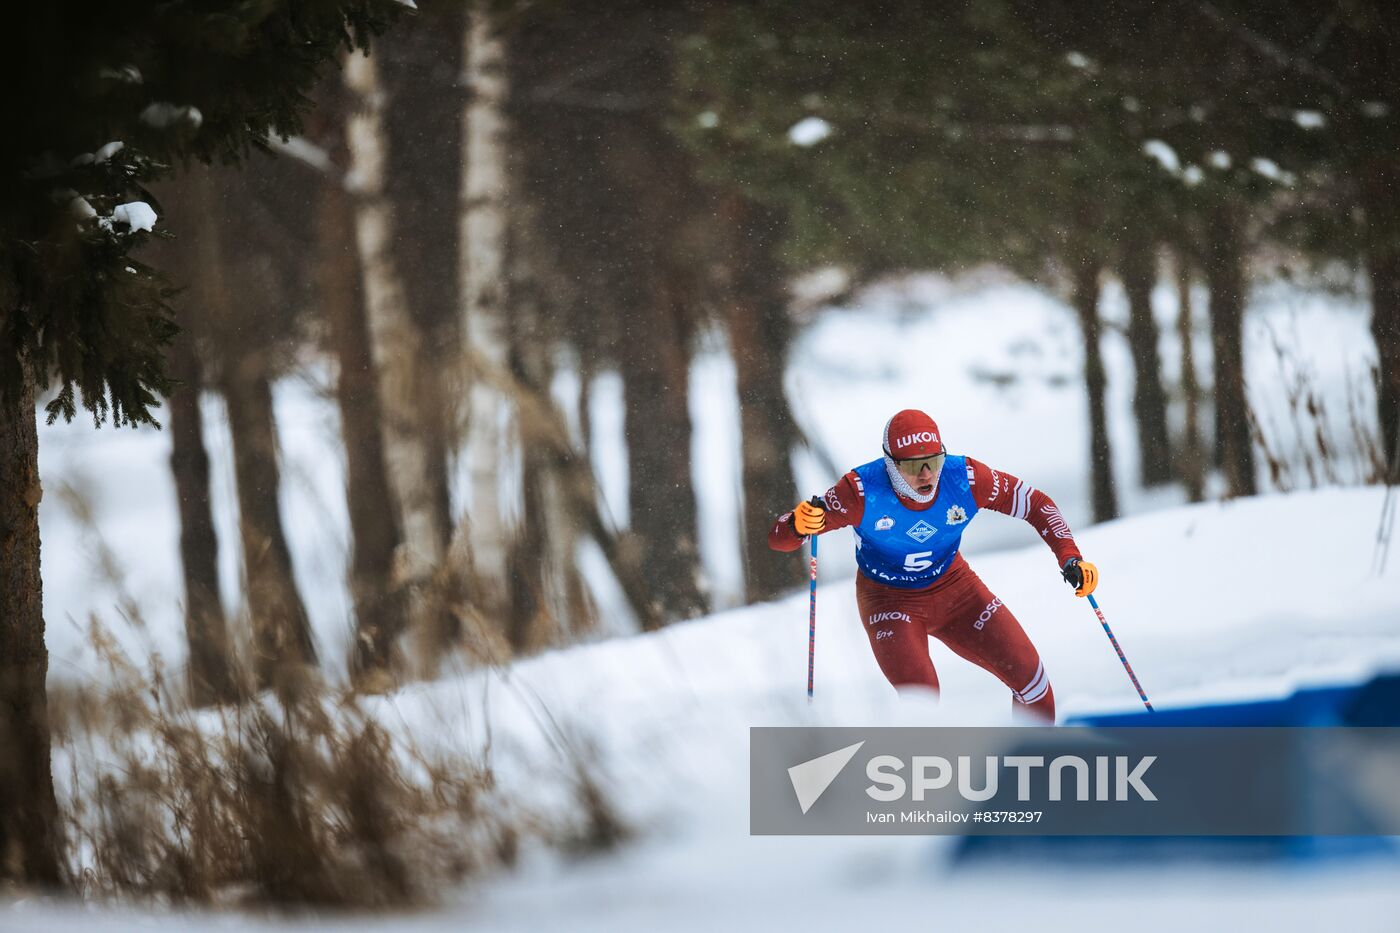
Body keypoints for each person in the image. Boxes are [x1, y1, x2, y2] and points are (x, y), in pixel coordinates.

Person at [768, 409, 1098, 723]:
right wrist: (797, 525)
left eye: (933, 461)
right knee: (921, 702)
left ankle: (1030, 772)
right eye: (913, 467)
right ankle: (914, 779)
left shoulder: (966, 478)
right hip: (889, 600)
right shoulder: (860, 491)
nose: (926, 475)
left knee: (1032, 682)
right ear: (890, 465)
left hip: (956, 590)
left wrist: (1070, 557)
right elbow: (779, 539)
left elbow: (1036, 504)